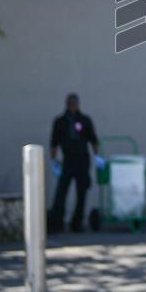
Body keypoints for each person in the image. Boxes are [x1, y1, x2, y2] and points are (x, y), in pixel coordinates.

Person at [49, 93, 99, 233]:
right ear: (66, 104)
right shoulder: (60, 121)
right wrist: (53, 160)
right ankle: (56, 222)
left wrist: (97, 156)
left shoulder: (84, 120)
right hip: (67, 161)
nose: (72, 106)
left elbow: (93, 139)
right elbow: (54, 142)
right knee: (61, 192)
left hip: (82, 160)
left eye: (74, 103)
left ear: (78, 104)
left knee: (81, 192)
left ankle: (76, 223)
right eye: (70, 103)